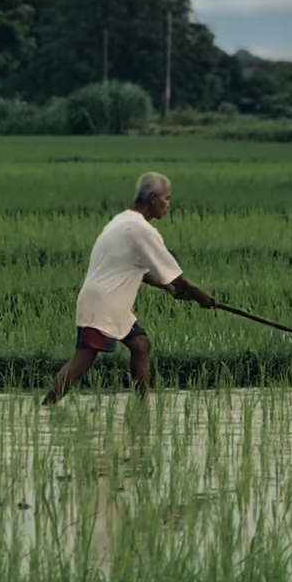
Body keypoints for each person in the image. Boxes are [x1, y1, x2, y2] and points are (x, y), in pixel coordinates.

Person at [42, 171, 215, 406]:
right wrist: (201, 297)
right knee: (84, 357)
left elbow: (144, 272)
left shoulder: (122, 221)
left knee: (141, 345)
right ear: (153, 198)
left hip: (110, 303)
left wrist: (169, 289)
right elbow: (176, 276)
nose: (168, 205)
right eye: (166, 199)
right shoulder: (141, 230)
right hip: (104, 303)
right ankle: (47, 406)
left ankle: (142, 406)